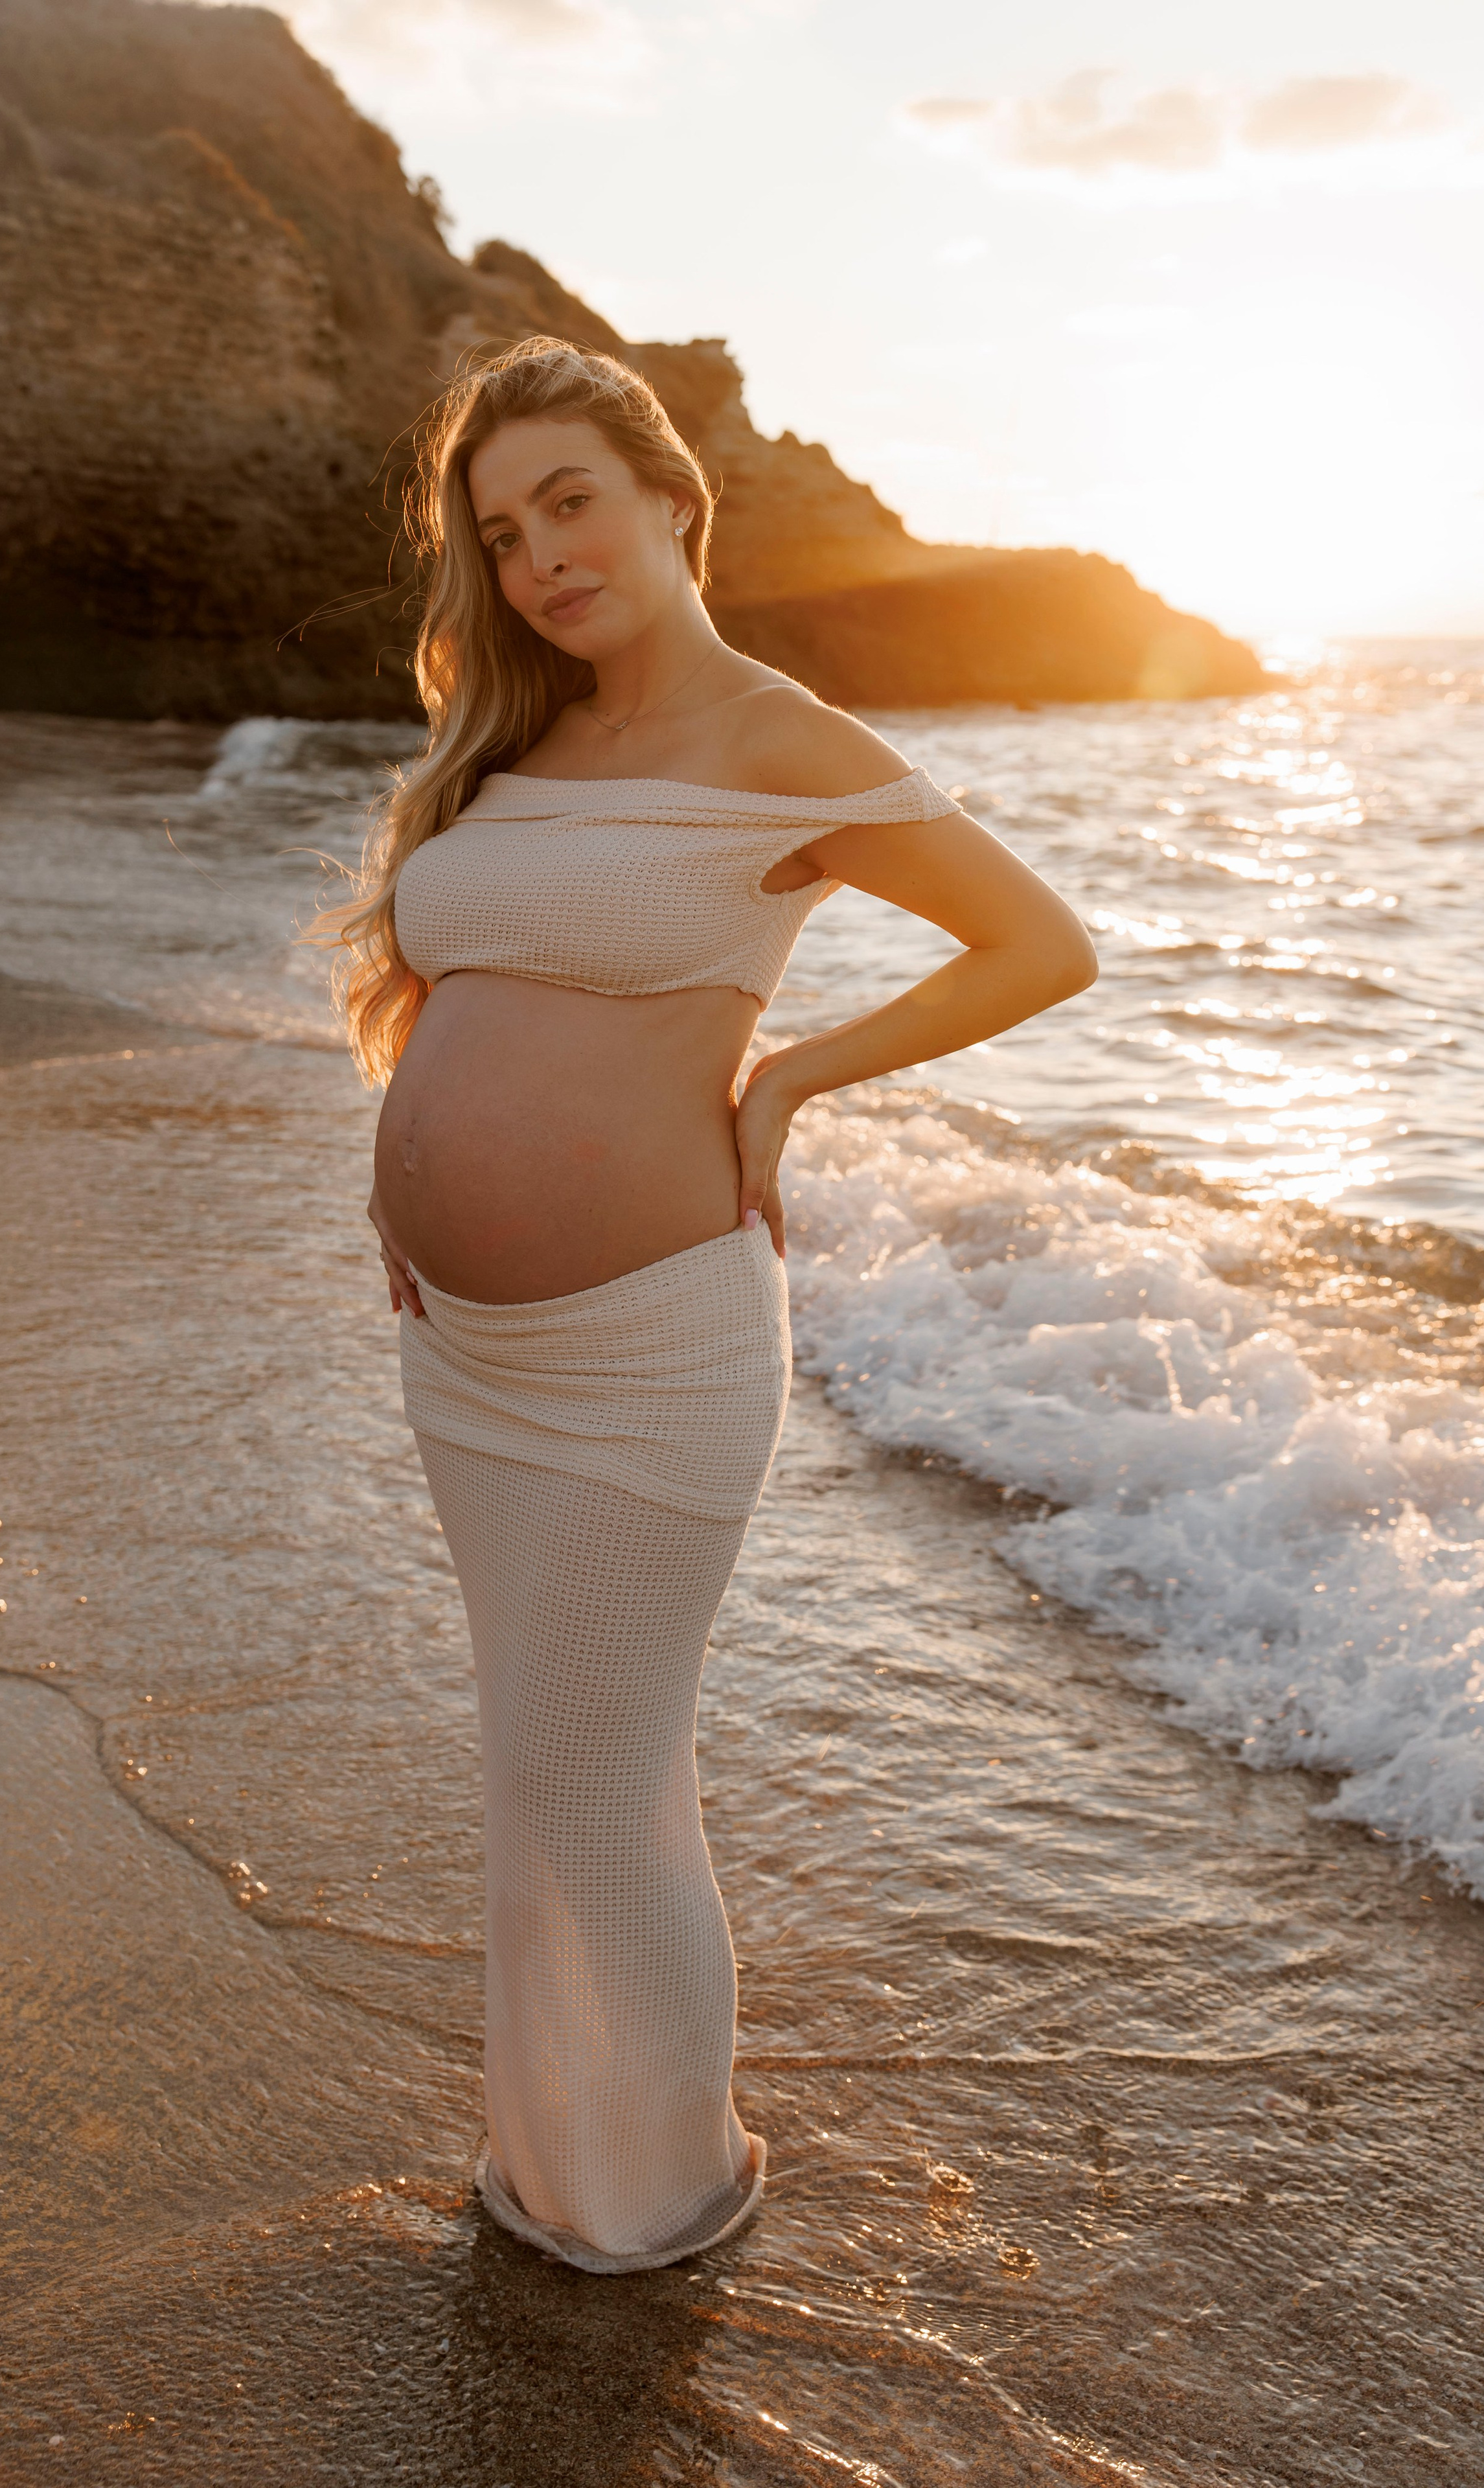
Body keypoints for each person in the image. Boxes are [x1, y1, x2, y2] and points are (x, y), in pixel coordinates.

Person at [334, 334, 1096, 2274]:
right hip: (471, 1355)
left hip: (644, 1351)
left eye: (571, 502)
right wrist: (400, 1163)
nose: (541, 559)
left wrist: (792, 1078)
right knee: (544, 1752)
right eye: (503, 534)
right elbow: (455, 998)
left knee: (593, 1774)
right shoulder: (513, 750)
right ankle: (556, 2155)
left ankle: (658, 2197)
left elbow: (1040, 943)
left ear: (675, 498)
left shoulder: (779, 739)